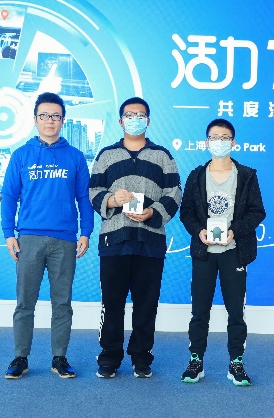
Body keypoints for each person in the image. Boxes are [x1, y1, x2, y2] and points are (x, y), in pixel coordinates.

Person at [1, 92, 94, 379]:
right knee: (24, 302)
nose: (50, 120)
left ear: (63, 120)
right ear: (35, 119)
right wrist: (8, 233)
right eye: (44, 115)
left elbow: (84, 198)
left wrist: (86, 232)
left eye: (55, 116)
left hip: (65, 239)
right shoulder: (21, 155)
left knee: (62, 303)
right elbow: (9, 196)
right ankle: (20, 357)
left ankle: (59, 358)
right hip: (28, 238)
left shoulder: (75, 157)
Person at [89, 97, 182, 378]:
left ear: (148, 121)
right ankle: (109, 358)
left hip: (150, 241)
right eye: (129, 115)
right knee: (112, 303)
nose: (135, 119)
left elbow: (175, 193)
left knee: (147, 304)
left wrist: (153, 213)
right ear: (120, 121)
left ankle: (142, 357)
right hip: (113, 241)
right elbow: (93, 192)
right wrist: (112, 200)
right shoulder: (106, 155)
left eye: (140, 115)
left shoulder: (163, 156)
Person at [179, 118, 266, 386]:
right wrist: (198, 231)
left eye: (225, 137)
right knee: (199, 310)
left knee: (235, 311)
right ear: (206, 143)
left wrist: (235, 231)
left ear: (233, 143)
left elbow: (257, 212)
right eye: (214, 137)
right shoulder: (196, 175)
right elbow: (186, 213)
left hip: (234, 251)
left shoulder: (247, 175)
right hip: (204, 252)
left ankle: (236, 362)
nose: (219, 142)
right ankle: (196, 361)